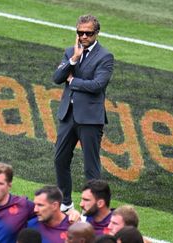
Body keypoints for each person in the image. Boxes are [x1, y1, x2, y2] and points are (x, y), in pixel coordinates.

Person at [52, 14, 114, 212]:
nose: (84, 36)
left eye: (88, 33)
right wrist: (74, 59)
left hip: (90, 119)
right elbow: (56, 78)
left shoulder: (105, 56)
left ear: (96, 33)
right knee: (60, 159)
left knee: (91, 167)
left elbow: (97, 85)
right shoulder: (71, 51)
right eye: (80, 33)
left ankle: (94, 208)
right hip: (68, 116)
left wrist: (73, 82)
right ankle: (65, 202)